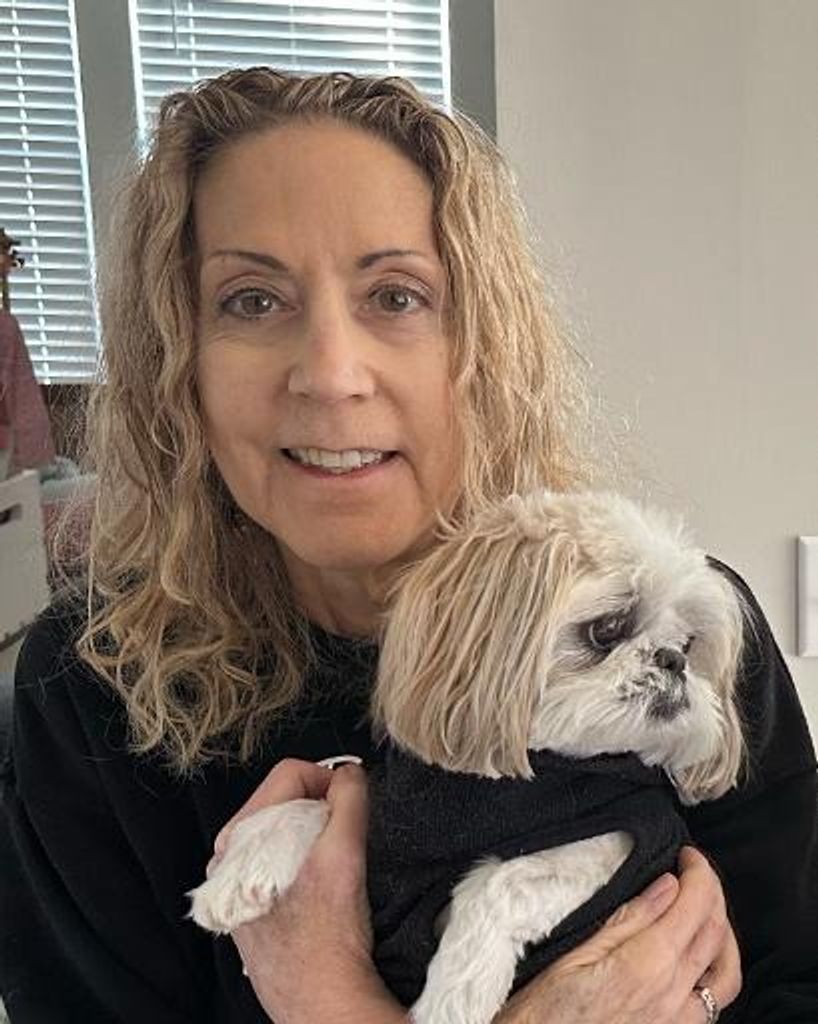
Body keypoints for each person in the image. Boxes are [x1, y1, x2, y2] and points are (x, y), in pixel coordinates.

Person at [0, 67, 815, 1024]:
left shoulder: (686, 636)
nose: (331, 374)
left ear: (484, 347)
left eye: (396, 296)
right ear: (179, 363)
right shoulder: (91, 687)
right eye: (252, 300)